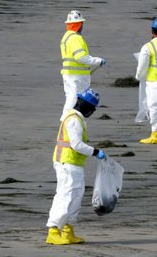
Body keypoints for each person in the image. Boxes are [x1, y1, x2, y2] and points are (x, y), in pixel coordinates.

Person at [45, 88, 107, 246]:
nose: (92, 111)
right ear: (83, 104)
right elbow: (77, 145)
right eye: (91, 108)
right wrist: (96, 151)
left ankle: (68, 231)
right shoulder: (73, 120)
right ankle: (53, 231)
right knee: (65, 196)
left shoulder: (78, 119)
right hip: (66, 163)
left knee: (76, 197)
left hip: (75, 164)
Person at [60, 10, 105, 116]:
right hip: (77, 77)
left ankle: (65, 122)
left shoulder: (66, 37)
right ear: (79, 24)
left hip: (70, 74)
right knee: (75, 100)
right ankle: (69, 122)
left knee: (71, 98)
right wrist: (98, 60)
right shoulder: (75, 38)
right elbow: (80, 57)